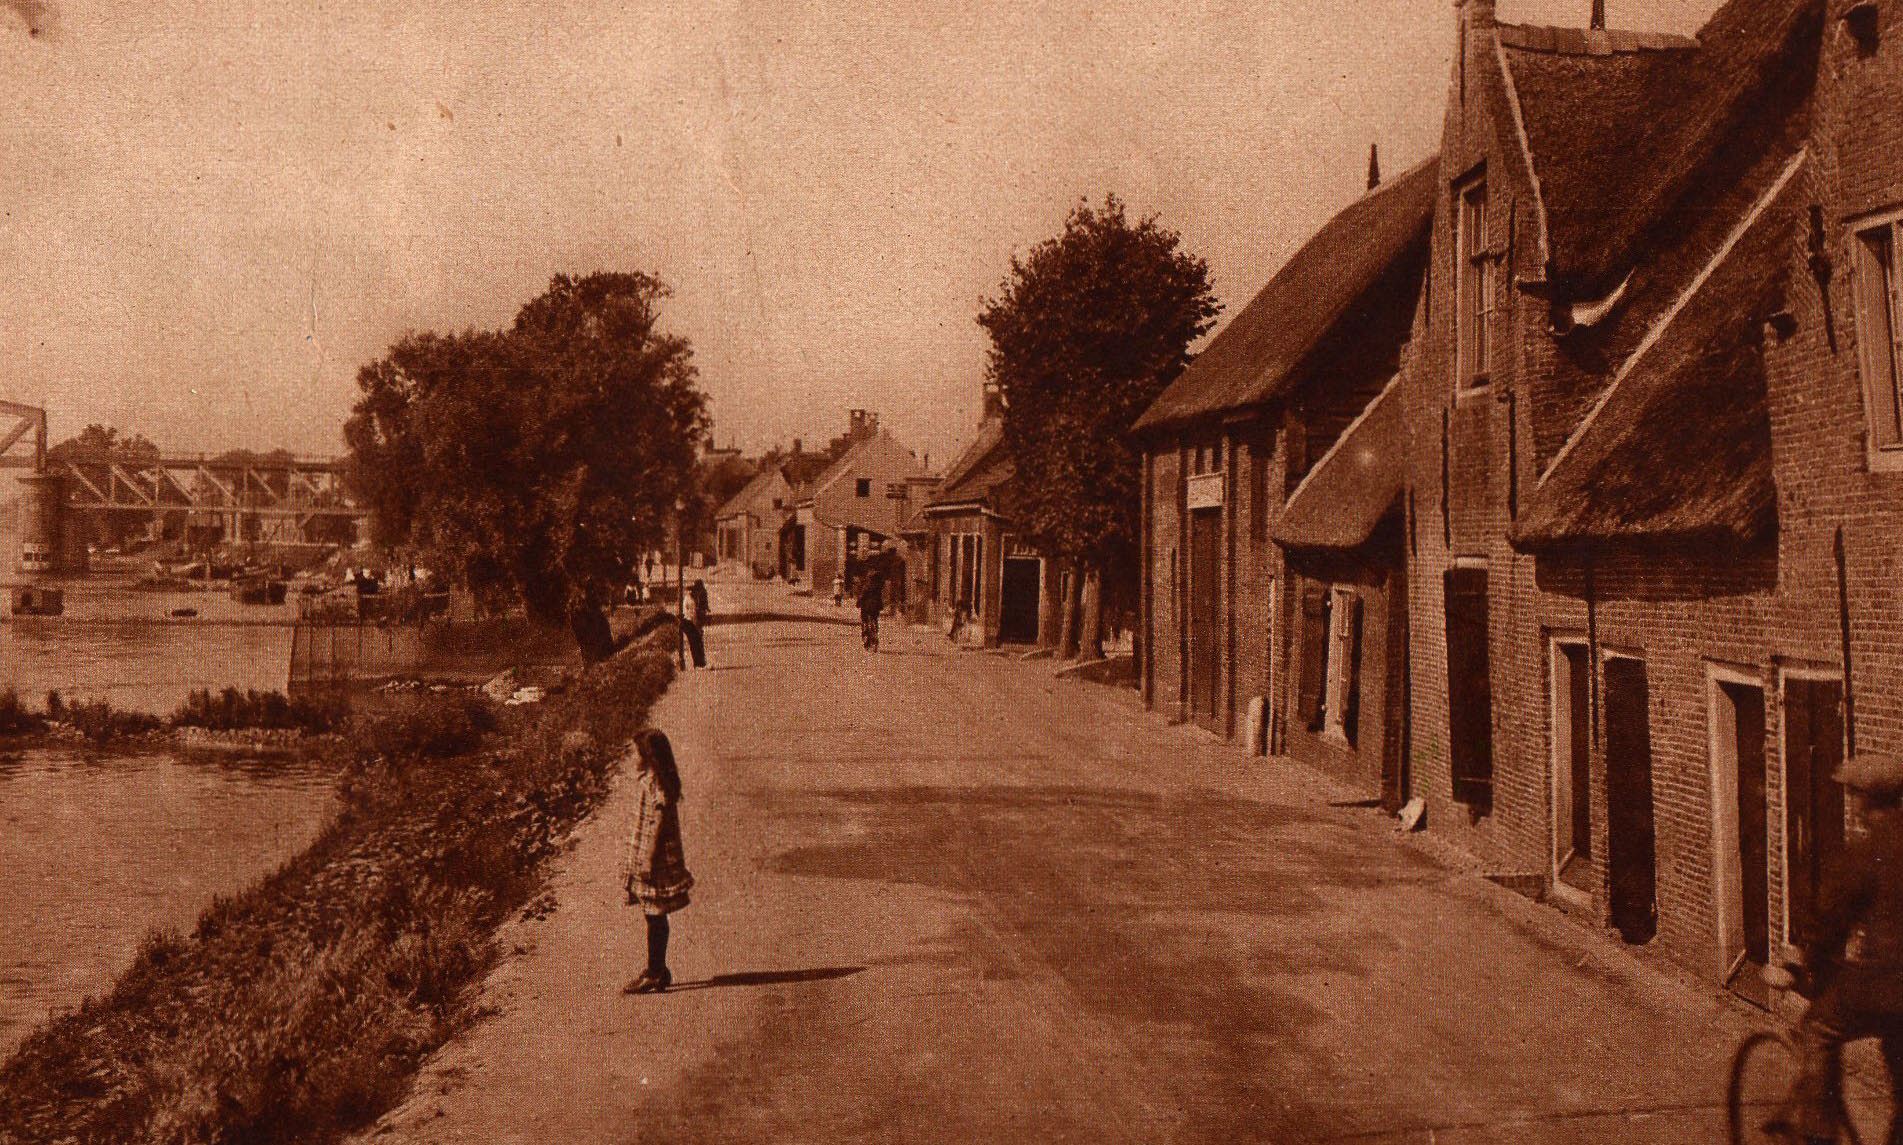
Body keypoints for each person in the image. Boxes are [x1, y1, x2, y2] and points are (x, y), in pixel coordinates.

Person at [1789, 752, 1903, 1145]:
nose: (1852, 804)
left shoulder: (1866, 852)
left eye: (1853, 795)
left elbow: (1830, 919)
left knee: (1817, 1030)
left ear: (1865, 799)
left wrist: (1806, 962)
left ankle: (1818, 1135)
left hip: (1882, 983)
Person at [621, 728, 694, 994]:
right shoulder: (652, 779)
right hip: (650, 856)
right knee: (654, 914)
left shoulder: (655, 783)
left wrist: (648, 860)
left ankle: (654, 971)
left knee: (654, 914)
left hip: (655, 860)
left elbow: (659, 823)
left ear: (648, 756)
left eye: (635, 753)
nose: (632, 758)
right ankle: (658, 969)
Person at [856, 572, 884, 651]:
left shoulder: (866, 587)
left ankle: (865, 635)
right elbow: (880, 598)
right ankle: (875, 633)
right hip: (875, 607)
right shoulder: (878, 588)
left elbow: (862, 596)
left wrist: (858, 603)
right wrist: (880, 606)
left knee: (864, 621)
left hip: (866, 607)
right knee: (874, 619)